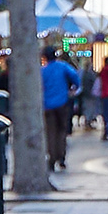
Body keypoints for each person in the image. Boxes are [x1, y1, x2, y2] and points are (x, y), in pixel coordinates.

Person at [39, 41, 80, 175]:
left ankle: (51, 158)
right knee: (62, 131)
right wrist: (74, 89)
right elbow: (75, 77)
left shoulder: (42, 71)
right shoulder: (63, 67)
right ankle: (61, 156)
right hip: (62, 103)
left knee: (50, 132)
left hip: (47, 105)